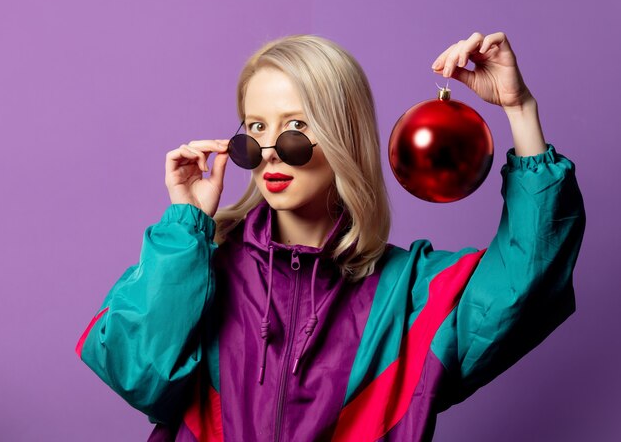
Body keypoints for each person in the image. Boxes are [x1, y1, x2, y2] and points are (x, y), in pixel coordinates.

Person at [75, 32, 586, 442]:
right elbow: (137, 374)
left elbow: (528, 282)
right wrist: (186, 224)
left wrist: (519, 110)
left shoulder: (409, 292)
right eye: (255, 127)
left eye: (295, 125)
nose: (270, 150)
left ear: (344, 134)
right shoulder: (197, 267)